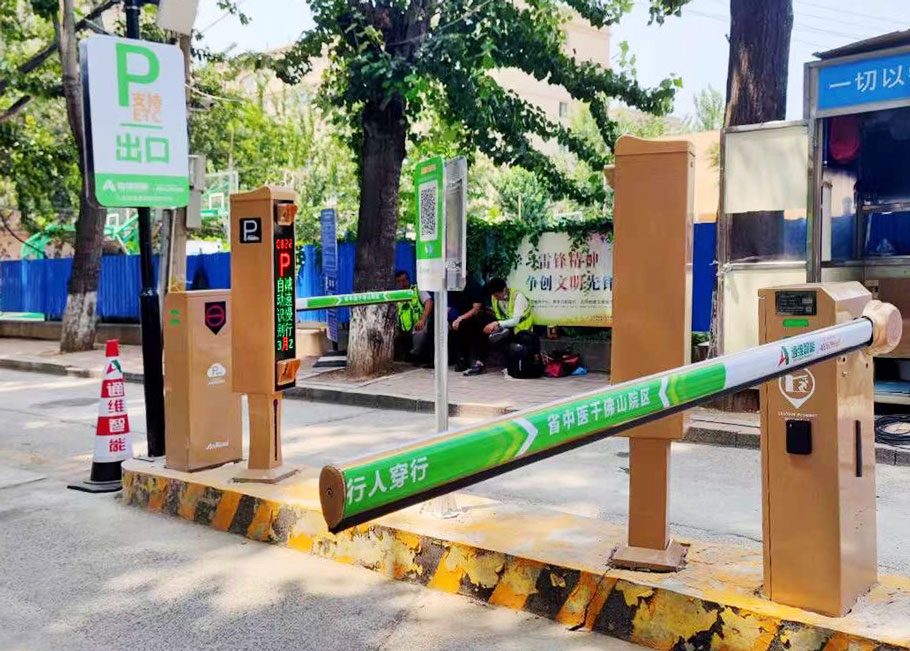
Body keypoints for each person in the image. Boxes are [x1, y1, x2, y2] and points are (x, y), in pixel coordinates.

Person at [462, 277, 533, 376]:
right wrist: (494, 326)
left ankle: (508, 361)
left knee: (494, 332)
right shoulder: (495, 298)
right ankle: (479, 363)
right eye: (493, 295)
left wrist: (497, 324)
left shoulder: (518, 297)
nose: (496, 297)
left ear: (505, 290)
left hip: (520, 331)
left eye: (497, 295)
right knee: (483, 327)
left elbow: (515, 321)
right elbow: (498, 316)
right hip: (504, 327)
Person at [394, 270, 433, 366]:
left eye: (404, 280)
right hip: (402, 326)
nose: (402, 284)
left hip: (419, 322)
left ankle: (415, 355)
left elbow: (429, 302)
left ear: (408, 280)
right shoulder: (395, 295)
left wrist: (422, 320)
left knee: (419, 331)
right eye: (399, 282)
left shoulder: (417, 289)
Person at [448, 275, 485, 372]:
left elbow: (476, 308)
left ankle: (463, 359)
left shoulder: (474, 285)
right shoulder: (454, 286)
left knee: (463, 325)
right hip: (458, 315)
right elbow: (450, 306)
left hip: (472, 318)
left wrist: (460, 318)